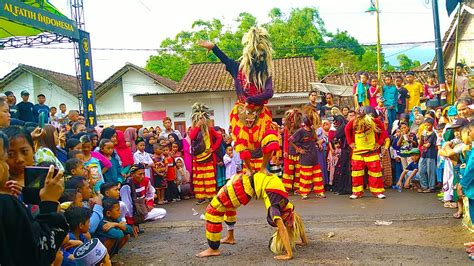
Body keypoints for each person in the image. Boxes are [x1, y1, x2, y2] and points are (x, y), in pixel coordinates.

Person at [198, 27, 279, 176]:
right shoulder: (237, 68)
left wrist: (251, 99)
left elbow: (269, 92)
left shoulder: (265, 73)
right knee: (242, 142)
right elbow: (225, 59)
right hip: (241, 111)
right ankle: (247, 168)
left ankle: (262, 168)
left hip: (260, 112)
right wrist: (214, 48)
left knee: (271, 138)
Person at [196, 172, 307, 260]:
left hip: (246, 184)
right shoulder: (285, 207)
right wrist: (303, 242)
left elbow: (284, 226)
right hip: (246, 183)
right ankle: (230, 237)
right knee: (228, 205)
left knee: (213, 210)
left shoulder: (278, 205)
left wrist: (289, 254)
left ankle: (213, 248)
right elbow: (294, 220)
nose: (278, 227)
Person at [0, 129, 68, 265]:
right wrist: (49, 203)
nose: (18, 160)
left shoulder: (10, 195)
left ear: (33, 149)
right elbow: (37, 253)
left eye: (25, 151)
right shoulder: (6, 202)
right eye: (5, 157)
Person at [344, 106, 387, 199]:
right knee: (357, 174)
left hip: (372, 151)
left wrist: (379, 142)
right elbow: (346, 129)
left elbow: (383, 130)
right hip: (358, 153)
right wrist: (350, 142)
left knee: (375, 172)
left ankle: (377, 191)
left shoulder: (374, 121)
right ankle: (357, 192)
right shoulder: (354, 121)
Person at [189, 103, 222, 204]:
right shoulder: (193, 129)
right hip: (198, 158)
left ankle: (211, 196)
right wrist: (198, 126)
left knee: (209, 177)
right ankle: (201, 197)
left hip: (208, 156)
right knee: (199, 178)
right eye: (199, 118)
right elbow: (192, 137)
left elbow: (219, 138)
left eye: (202, 118)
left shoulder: (210, 129)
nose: (201, 120)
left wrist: (213, 149)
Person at [290, 111, 324, 200]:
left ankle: (319, 191)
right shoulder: (300, 131)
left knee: (317, 175)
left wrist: (318, 143)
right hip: (305, 157)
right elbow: (290, 140)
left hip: (314, 156)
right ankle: (304, 193)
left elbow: (315, 139)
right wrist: (298, 149)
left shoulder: (312, 130)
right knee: (306, 176)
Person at [331, 115, 352, 195]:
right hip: (346, 150)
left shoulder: (342, 127)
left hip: (345, 150)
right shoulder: (345, 126)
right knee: (345, 169)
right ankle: (344, 187)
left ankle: (343, 188)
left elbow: (335, 137)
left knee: (343, 169)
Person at [282, 109, 302, 193]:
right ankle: (286, 187)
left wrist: (300, 148)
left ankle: (297, 188)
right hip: (289, 152)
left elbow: (302, 140)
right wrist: (285, 151)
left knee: (298, 171)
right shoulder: (287, 128)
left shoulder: (301, 128)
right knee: (288, 171)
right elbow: (285, 141)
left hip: (298, 153)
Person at [418, 118, 437, 193]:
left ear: (432, 125)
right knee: (421, 170)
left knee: (430, 171)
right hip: (423, 154)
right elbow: (420, 144)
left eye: (428, 125)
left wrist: (423, 144)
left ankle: (431, 187)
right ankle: (424, 186)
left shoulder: (433, 134)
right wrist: (421, 136)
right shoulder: (424, 133)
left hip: (431, 154)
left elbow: (427, 145)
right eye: (425, 125)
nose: (426, 127)